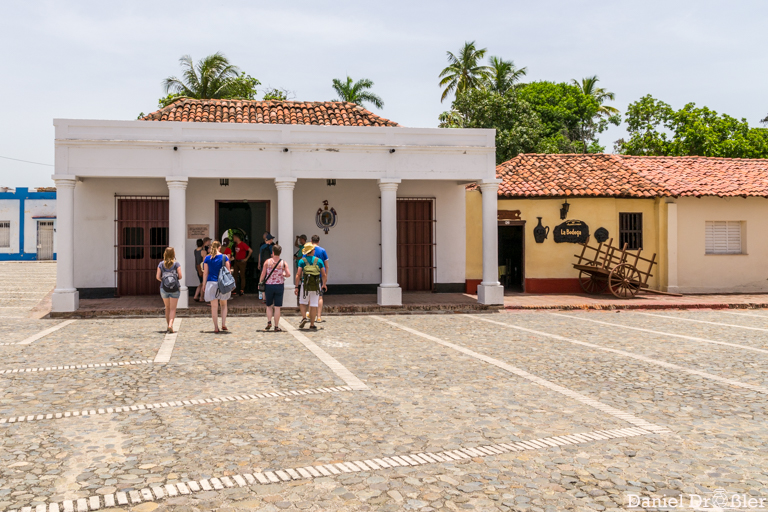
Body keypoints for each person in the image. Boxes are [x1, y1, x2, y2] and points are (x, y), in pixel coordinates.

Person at [295, 243, 327, 330]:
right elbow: (323, 274)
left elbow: (298, 274)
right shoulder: (319, 261)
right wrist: (324, 284)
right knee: (313, 304)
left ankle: (304, 317)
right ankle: (312, 324)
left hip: (305, 285)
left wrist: (296, 286)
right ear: (312, 251)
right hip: (316, 285)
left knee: (302, 302)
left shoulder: (302, 261)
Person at [260, 244, 290, 332]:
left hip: (269, 285)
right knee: (277, 307)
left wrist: (260, 283)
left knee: (269, 305)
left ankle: (269, 321)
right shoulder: (283, 262)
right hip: (279, 285)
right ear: (280, 252)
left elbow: (263, 274)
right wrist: (283, 274)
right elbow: (288, 274)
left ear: (272, 252)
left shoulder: (267, 262)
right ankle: (276, 326)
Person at [202, 241, 231, 333]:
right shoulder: (224, 257)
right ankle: (223, 324)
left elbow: (205, 273)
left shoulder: (207, 258)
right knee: (224, 304)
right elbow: (228, 271)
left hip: (211, 282)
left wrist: (204, 284)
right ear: (219, 247)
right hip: (222, 283)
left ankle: (215, 327)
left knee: (214, 307)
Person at [156, 247, 182, 333]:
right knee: (173, 309)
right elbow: (180, 276)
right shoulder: (176, 264)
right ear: (173, 254)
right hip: (175, 288)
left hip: (164, 288)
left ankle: (168, 326)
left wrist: (164, 281)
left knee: (167, 308)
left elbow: (157, 277)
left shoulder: (161, 264)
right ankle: (170, 325)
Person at [310, 235, 330, 323]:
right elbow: (327, 265)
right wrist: (325, 277)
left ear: (311, 241)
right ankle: (318, 316)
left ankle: (311, 315)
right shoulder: (322, 250)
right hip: (320, 275)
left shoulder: (308, 249)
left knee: (310, 296)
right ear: (318, 241)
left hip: (310, 275)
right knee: (320, 297)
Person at [232, 232, 253, 297]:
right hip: (236, 261)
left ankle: (242, 289)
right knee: (234, 275)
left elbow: (250, 250)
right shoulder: (235, 245)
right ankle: (234, 289)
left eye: (234, 237)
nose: (233, 238)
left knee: (242, 275)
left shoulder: (243, 244)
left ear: (236, 237)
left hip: (242, 262)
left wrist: (246, 258)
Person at [258, 234, 276, 299]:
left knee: (263, 281)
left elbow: (260, 255)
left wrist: (259, 264)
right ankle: (270, 296)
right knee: (270, 280)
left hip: (263, 265)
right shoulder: (271, 247)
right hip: (270, 266)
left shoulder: (262, 247)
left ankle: (263, 297)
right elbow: (272, 256)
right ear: (270, 240)